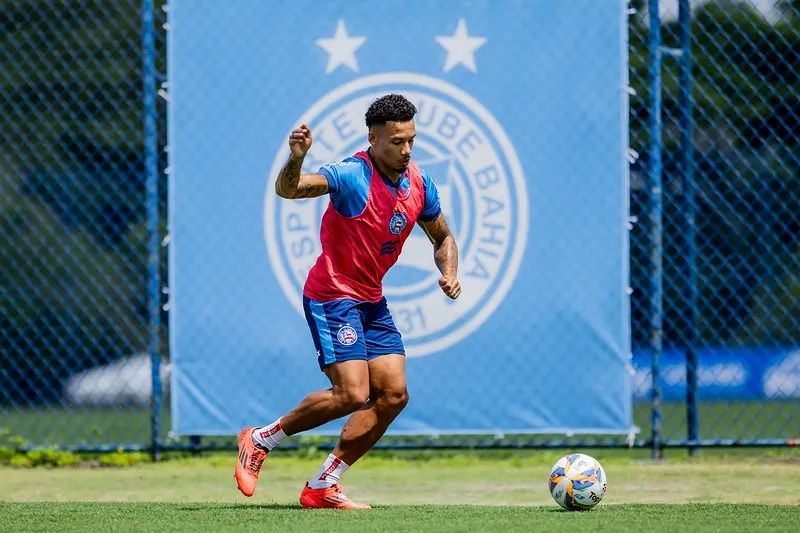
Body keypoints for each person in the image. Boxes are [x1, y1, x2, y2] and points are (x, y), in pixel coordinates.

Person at [235, 93, 460, 509]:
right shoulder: (352, 174)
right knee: (352, 394)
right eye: (396, 141)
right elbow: (291, 190)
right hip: (333, 295)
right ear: (373, 138)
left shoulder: (420, 184)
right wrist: (297, 157)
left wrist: (448, 271)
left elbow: (443, 236)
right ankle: (260, 439)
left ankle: (323, 484)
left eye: (411, 140)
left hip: (371, 301)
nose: (406, 149)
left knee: (393, 394)